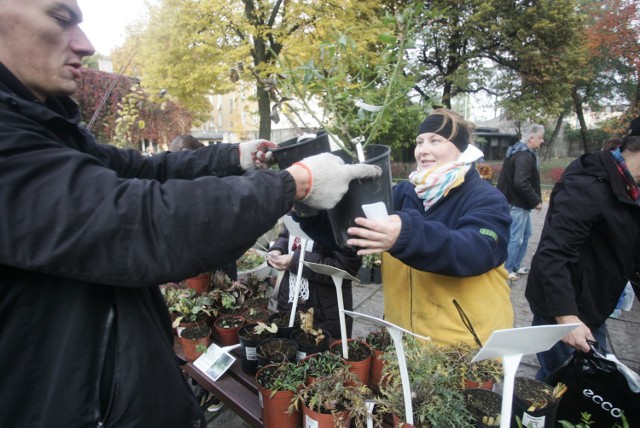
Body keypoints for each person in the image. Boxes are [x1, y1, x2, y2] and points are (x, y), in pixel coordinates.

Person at [0, 1, 381, 426]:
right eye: (60, 18)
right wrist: (293, 184)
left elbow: (142, 170)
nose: (85, 44)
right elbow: (140, 221)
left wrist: (233, 157)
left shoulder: (44, 131)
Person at [345, 108, 514, 347]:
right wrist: (307, 201)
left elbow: (477, 250)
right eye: (419, 141)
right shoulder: (403, 193)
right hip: (405, 339)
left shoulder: (486, 198)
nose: (423, 150)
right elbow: (350, 228)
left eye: (436, 140)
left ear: (460, 148)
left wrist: (405, 235)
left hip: (462, 344)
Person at [525, 117, 640, 381]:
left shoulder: (630, 187)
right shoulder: (586, 186)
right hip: (565, 311)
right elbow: (553, 255)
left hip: (593, 303)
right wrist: (566, 318)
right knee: (561, 387)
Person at [267, 224, 361, 340]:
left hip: (325, 310)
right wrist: (277, 249)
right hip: (289, 298)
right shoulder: (298, 209)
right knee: (289, 347)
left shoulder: (340, 217)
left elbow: (346, 267)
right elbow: (287, 235)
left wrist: (295, 260)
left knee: (322, 351)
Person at [496, 124, 545, 280]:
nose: (542, 141)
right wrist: (535, 200)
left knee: (525, 234)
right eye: (540, 137)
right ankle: (508, 269)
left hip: (515, 202)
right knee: (516, 237)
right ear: (531, 138)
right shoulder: (524, 155)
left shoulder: (517, 152)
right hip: (517, 204)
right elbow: (521, 182)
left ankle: (514, 266)